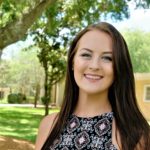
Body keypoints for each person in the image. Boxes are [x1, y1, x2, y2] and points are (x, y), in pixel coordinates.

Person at [35, 22, 150, 150]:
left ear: (119, 67)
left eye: (107, 58)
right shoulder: (48, 125)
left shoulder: (134, 133)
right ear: (72, 61)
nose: (94, 66)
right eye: (86, 55)